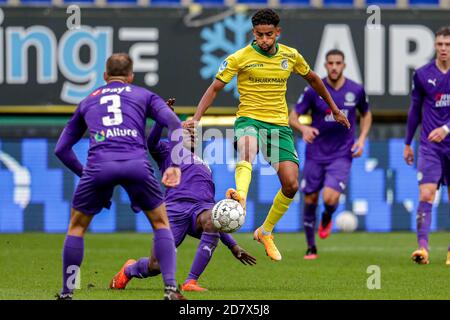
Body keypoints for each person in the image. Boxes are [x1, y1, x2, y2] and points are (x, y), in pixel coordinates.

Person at [186, 8, 350, 261]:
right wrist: (196, 118)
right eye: (260, 35)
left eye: (269, 34)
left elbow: (315, 79)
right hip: (249, 119)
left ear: (278, 33)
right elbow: (215, 87)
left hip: (279, 126)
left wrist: (335, 110)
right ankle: (239, 196)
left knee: (292, 184)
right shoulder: (240, 58)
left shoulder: (290, 56)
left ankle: (265, 231)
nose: (264, 39)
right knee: (248, 147)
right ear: (253, 33)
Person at [54, 53, 186, 300]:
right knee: (160, 223)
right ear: (130, 76)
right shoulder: (143, 95)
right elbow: (175, 125)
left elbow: (61, 149)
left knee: (77, 227)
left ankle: (67, 292)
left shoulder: (87, 101)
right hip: (136, 163)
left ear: (105, 76)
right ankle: (170, 289)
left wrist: (87, 176)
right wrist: (174, 165)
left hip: (98, 165)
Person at [110, 101, 256, 292]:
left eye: (195, 131)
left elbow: (218, 214)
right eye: (187, 128)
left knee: (212, 219)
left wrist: (233, 246)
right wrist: (162, 120)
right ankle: (129, 270)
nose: (193, 132)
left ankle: (190, 282)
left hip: (199, 210)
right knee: (156, 266)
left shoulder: (205, 165)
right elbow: (150, 143)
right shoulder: (167, 152)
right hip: (173, 210)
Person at [289, 49, 372, 259]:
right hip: (315, 153)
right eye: (330, 63)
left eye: (338, 63)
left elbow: (367, 114)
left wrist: (361, 139)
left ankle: (327, 216)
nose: (334, 67)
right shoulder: (313, 90)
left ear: (344, 65)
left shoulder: (356, 90)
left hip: (342, 154)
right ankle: (311, 246)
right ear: (325, 66)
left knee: (330, 197)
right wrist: (304, 129)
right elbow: (292, 116)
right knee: (310, 198)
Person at [403, 26, 450, 265]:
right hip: (430, 146)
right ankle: (422, 248)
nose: (443, 49)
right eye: (440, 44)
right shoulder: (422, 74)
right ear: (434, 46)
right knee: (426, 193)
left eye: (448, 45)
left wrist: (447, 128)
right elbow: (414, 110)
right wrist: (407, 142)